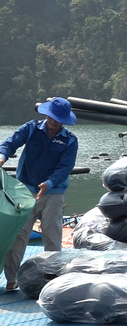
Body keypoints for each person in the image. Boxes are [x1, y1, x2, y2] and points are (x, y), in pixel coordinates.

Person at [0, 97, 78, 290]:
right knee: (19, 234)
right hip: (25, 191)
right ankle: (12, 279)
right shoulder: (32, 128)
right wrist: (2, 156)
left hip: (53, 192)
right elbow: (10, 143)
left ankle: (52, 279)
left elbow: (64, 168)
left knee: (52, 234)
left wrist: (49, 183)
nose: (54, 122)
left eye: (58, 119)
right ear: (46, 114)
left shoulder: (70, 141)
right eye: (52, 117)